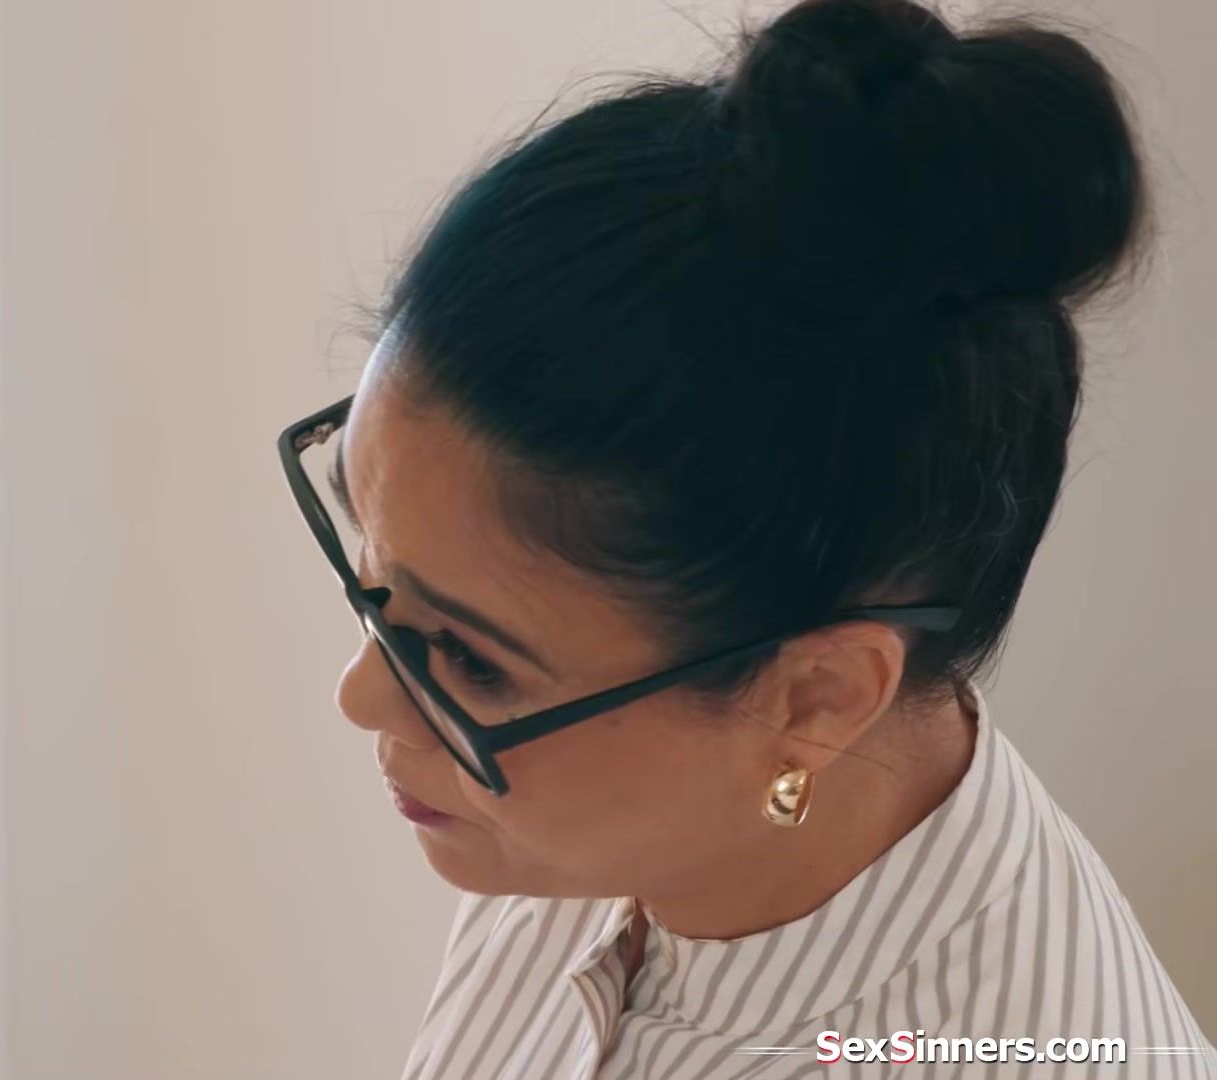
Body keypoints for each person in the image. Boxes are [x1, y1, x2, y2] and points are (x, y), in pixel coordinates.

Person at [275, 0, 1215, 1075]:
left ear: (816, 699)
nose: (362, 695)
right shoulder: (622, 818)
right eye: (372, 561)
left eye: (471, 661)